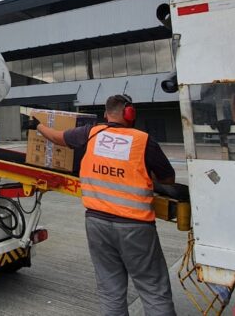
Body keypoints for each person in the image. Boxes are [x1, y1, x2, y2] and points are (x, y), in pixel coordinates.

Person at [27, 94, 176, 316]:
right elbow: (168, 179)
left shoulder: (91, 133)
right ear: (130, 113)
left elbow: (57, 137)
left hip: (96, 223)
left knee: (111, 291)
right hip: (135, 227)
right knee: (153, 290)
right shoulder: (143, 140)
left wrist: (37, 125)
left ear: (106, 114)